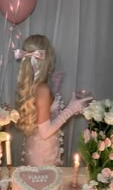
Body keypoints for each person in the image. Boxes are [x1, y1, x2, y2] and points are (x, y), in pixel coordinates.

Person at [14, 34, 92, 166]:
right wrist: (70, 110)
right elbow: (45, 132)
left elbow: (44, 116)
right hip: (43, 154)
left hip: (36, 147)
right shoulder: (42, 89)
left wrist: (70, 107)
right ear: (47, 59)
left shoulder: (35, 85)